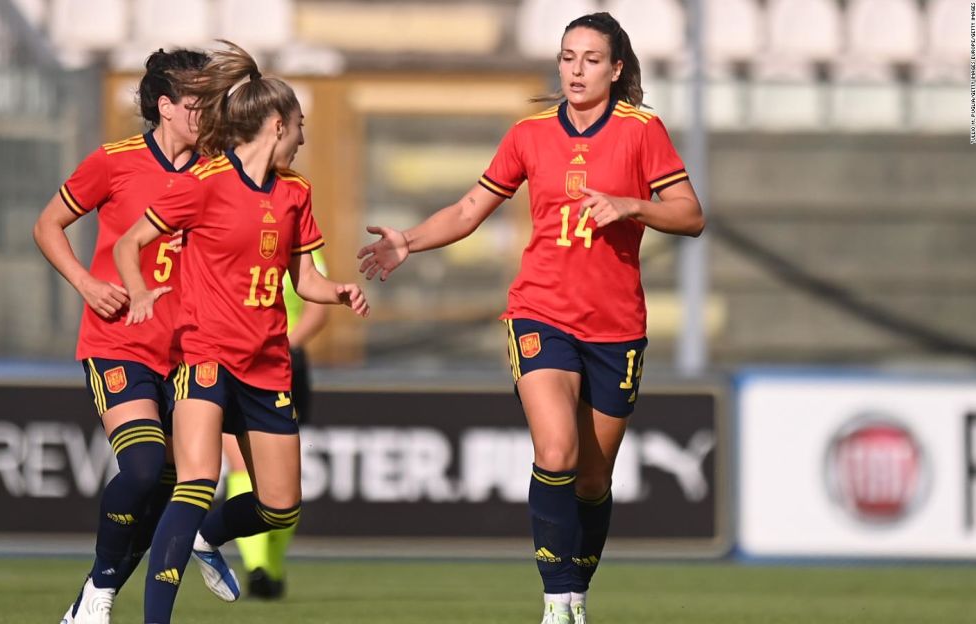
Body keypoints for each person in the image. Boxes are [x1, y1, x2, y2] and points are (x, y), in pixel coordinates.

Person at [357, 12, 703, 624]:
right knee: (556, 449)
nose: (575, 69)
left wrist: (630, 206)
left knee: (594, 481)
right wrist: (409, 239)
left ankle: (576, 596)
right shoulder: (529, 132)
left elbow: (690, 214)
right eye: (568, 56)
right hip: (539, 312)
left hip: (616, 326)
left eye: (591, 59)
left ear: (616, 69)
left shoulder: (643, 131)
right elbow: (470, 208)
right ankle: (555, 604)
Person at [113, 41, 369, 624]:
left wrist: (341, 291)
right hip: (204, 355)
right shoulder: (204, 182)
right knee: (197, 480)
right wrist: (140, 292)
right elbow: (131, 243)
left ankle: (207, 539)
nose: (304, 137)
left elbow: (305, 278)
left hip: (267, 365)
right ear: (278, 124)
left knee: (280, 507)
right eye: (300, 125)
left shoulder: (296, 192)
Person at [34, 49, 239, 624]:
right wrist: (84, 283)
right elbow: (47, 223)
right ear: (166, 106)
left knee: (178, 492)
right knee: (144, 468)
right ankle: (99, 590)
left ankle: (95, 597)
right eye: (199, 100)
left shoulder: (219, 168)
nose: (210, 110)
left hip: (193, 353)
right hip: (118, 343)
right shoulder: (114, 161)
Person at [222, 247, 328, 599]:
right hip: (232, 363)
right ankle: (256, 567)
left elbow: (317, 310)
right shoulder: (225, 239)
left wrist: (281, 346)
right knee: (240, 464)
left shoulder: (299, 242)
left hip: (283, 365)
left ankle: (271, 565)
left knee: (281, 477)